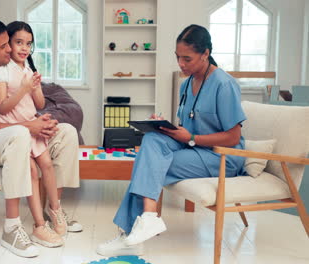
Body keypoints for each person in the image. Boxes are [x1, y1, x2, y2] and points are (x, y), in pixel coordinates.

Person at [97, 24, 247, 257]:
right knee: (152, 141)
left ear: (205, 54)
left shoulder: (224, 85)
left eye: (187, 59)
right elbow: (187, 125)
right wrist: (165, 126)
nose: (181, 64)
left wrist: (193, 137)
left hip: (222, 156)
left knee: (149, 163)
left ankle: (133, 232)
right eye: (177, 57)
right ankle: (147, 217)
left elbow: (233, 136)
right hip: (194, 148)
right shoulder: (186, 84)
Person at [0, 17, 81, 258]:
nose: (11, 49)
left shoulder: (5, 68)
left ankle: (55, 211)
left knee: (67, 132)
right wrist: (29, 126)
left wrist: (39, 122)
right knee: (21, 135)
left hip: (7, 134)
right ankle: (13, 227)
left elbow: (27, 105)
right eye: (5, 46)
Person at [0, 21, 66, 247]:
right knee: (32, 173)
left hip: (31, 127)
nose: (24, 48)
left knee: (47, 164)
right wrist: (24, 87)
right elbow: (3, 107)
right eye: (19, 42)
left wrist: (34, 87)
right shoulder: (2, 70)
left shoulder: (28, 70)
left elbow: (40, 103)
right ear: (9, 44)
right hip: (14, 130)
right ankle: (39, 226)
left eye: (29, 44)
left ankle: (55, 211)